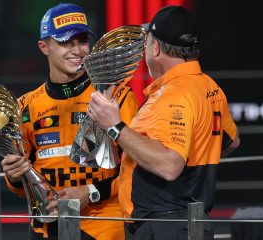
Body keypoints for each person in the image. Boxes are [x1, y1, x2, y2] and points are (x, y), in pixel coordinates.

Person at [87, 5, 240, 240]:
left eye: (147, 41)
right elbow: (231, 141)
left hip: (164, 226)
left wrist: (114, 126)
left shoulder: (174, 95)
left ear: (155, 48)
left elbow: (170, 166)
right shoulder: (210, 87)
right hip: (186, 223)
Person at [1, 3, 138, 240]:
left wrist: (91, 192)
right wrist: (13, 176)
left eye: (82, 41)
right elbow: (21, 184)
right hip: (46, 229)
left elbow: (137, 170)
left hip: (105, 228)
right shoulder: (25, 106)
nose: (77, 50)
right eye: (66, 42)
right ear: (44, 47)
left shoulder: (115, 96)